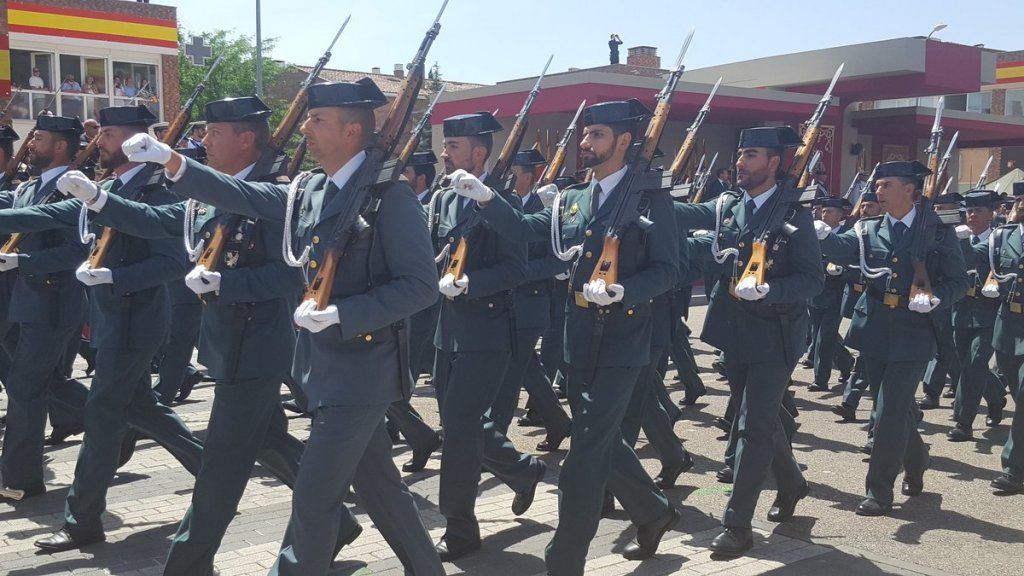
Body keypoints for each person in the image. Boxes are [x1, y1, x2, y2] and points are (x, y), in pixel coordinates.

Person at [117, 79, 444, 576]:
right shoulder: (311, 189)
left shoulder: (389, 197)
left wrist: (344, 314)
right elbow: (242, 194)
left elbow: (422, 285)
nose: (305, 130)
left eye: (317, 122)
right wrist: (174, 162)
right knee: (382, 490)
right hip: (323, 368)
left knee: (313, 500)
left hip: (365, 372)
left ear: (353, 130)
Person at [63, 95, 362, 573]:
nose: (204, 140)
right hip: (228, 347)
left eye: (214, 133)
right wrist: (98, 199)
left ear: (246, 138)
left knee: (220, 469)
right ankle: (338, 520)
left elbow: (292, 275)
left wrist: (229, 283)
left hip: (257, 347)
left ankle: (187, 563)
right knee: (267, 441)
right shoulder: (211, 194)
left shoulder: (277, 196)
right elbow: (163, 220)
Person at [457, 99, 681, 575]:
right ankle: (653, 510)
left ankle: (564, 559)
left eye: (595, 134)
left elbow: (670, 269)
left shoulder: (650, 198)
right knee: (596, 439)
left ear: (623, 141)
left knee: (584, 454)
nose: (584, 143)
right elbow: (524, 229)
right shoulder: (574, 196)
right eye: (584, 135)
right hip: (577, 336)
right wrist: (486, 198)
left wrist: (625, 291)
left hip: (624, 341)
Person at [675, 126, 820, 557]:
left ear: (774, 163)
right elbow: (688, 215)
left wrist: (772, 290)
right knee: (762, 417)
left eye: (750, 155)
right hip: (734, 330)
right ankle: (792, 482)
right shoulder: (729, 204)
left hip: (775, 335)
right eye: (740, 153)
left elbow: (811, 280)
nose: (740, 162)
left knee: (752, 427)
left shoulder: (796, 215)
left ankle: (737, 525)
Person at [816, 160, 968, 516]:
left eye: (885, 185)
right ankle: (918, 459)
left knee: (886, 412)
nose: (877, 192)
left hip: (914, 330)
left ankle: (878, 491)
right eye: (878, 185)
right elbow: (841, 248)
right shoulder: (868, 229)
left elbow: (959, 282)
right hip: (875, 327)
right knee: (894, 410)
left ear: (909, 190)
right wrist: (818, 234)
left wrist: (935, 298)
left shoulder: (939, 231)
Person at [428, 111, 547, 561]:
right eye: (445, 145)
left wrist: (471, 284)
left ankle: (459, 528)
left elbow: (516, 270)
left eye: (453, 147)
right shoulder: (442, 200)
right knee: (460, 424)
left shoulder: (502, 204)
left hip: (487, 332)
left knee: (457, 433)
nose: (444, 153)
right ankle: (522, 469)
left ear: (478, 154)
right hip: (447, 331)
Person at [488, 148, 572, 451]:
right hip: (505, 305)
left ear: (529, 176)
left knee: (510, 373)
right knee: (528, 369)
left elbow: (558, 261)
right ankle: (559, 423)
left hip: (532, 305)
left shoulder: (547, 209)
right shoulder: (503, 204)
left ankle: (493, 441)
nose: (508, 178)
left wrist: (519, 273)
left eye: (514, 173)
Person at [947, 189, 1006, 441]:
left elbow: (973, 257)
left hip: (988, 313)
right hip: (961, 310)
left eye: (978, 210)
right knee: (965, 365)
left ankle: (963, 422)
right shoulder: (959, 237)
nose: (972, 215)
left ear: (991, 214)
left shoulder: (998, 239)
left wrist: (958, 242)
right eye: (969, 210)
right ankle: (996, 397)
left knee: (974, 364)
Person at [988, 181, 1024, 494]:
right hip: (1009, 326)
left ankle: (1013, 468)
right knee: (1014, 387)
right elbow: (975, 256)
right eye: (1021, 200)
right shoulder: (1003, 236)